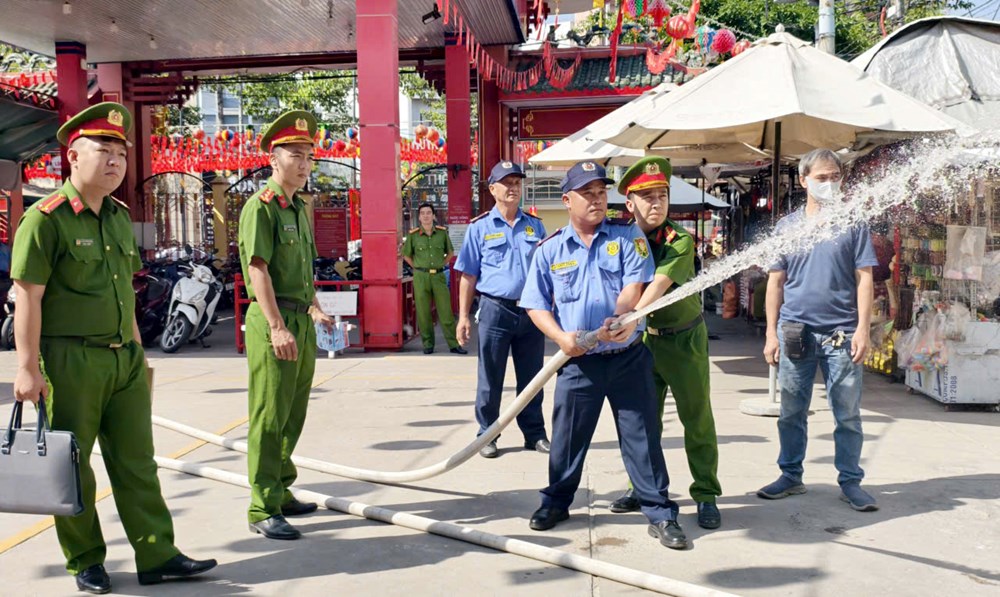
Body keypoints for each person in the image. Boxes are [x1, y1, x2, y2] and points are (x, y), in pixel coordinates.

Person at [10, 102, 216, 594]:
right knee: (73, 464)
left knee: (136, 461)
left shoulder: (119, 218)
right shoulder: (45, 220)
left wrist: (139, 353)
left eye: (120, 153)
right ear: (72, 157)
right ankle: (85, 559)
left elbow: (124, 291)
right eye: (103, 151)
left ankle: (158, 553)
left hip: (123, 358)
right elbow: (28, 298)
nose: (115, 162)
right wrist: (25, 368)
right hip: (70, 360)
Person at [519, 161, 688, 550]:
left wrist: (624, 315)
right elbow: (535, 304)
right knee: (567, 438)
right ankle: (557, 502)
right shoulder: (549, 250)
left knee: (642, 437)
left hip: (628, 356)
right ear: (567, 200)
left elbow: (634, 283)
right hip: (578, 362)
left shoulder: (628, 237)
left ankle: (660, 512)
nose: (597, 200)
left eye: (600, 193)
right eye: (587, 193)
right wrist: (562, 338)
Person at [759, 148, 880, 512]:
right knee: (792, 410)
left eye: (834, 177)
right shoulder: (786, 228)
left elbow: (865, 279)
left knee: (847, 413)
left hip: (841, 335)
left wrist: (863, 329)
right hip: (796, 331)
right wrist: (770, 333)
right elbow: (775, 283)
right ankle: (791, 475)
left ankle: (850, 481)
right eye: (822, 178)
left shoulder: (853, 223)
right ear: (803, 180)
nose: (829, 184)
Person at [606, 157, 722, 530]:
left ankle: (705, 494)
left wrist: (631, 315)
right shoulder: (620, 238)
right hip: (642, 346)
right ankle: (639, 488)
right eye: (647, 196)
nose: (656, 203)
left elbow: (656, 288)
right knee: (642, 423)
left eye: (662, 195)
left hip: (683, 340)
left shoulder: (680, 240)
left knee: (697, 419)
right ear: (630, 203)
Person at [238, 110, 335, 540]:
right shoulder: (261, 208)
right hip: (274, 321)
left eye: (308, 155)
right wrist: (277, 326)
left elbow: (303, 270)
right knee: (269, 413)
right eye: (294, 154)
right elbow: (257, 270)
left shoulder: (297, 207)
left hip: (301, 318)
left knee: (294, 411)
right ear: (273, 159)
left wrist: (315, 309)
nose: (303, 162)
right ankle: (262, 507)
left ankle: (281, 489)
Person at [455, 161, 550, 459]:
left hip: (531, 312)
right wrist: (463, 317)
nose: (513, 188)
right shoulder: (479, 228)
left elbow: (547, 273)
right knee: (490, 376)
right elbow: (468, 275)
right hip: (495, 310)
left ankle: (534, 433)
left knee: (532, 377)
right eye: (506, 183)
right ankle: (487, 434)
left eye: (517, 182)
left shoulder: (536, 226)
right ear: (492, 188)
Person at [401, 202, 466, 354]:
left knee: (446, 312)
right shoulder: (413, 235)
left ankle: (454, 344)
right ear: (419, 216)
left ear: (433, 215)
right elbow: (406, 255)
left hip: (438, 276)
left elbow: (450, 252)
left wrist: (441, 264)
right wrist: (417, 267)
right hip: (421, 277)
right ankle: (428, 344)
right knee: (423, 313)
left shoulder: (442, 233)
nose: (425, 216)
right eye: (423, 213)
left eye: (428, 213)